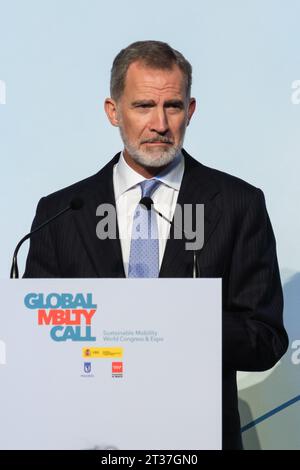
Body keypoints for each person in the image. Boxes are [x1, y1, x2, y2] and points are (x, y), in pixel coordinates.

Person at [24, 40, 289, 449]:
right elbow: (38, 346)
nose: (160, 124)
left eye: (173, 107)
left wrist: (181, 320)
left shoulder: (239, 205)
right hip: (90, 441)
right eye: (143, 106)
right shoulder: (62, 213)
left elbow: (265, 339)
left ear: (191, 110)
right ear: (113, 111)